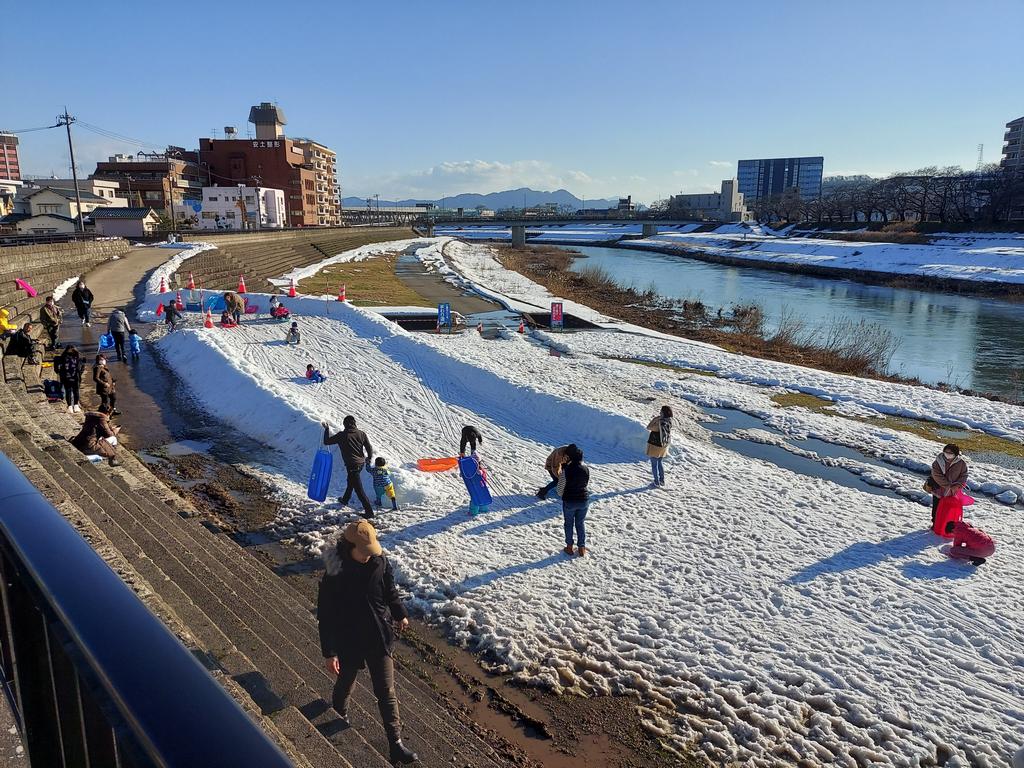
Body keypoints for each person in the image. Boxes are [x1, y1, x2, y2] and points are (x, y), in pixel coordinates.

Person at [317, 521, 418, 765]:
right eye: (364, 551)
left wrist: (399, 612)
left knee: (386, 691)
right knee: (346, 682)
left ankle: (395, 744)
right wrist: (330, 652)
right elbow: (326, 613)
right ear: (350, 547)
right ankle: (339, 713)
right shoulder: (335, 568)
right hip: (348, 639)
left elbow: (390, 589)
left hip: (378, 636)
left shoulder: (379, 560)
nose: (369, 555)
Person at [322, 416, 375, 518]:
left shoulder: (342, 435)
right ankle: (345, 500)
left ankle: (369, 512)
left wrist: (327, 429)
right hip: (361, 463)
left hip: (352, 465)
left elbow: (326, 441)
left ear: (344, 424)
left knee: (359, 490)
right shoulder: (361, 434)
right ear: (355, 423)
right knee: (351, 482)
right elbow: (369, 447)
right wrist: (369, 457)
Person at [557, 445, 590, 556]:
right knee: (580, 523)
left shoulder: (567, 470)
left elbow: (560, 488)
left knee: (569, 524)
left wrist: (563, 496)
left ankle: (569, 547)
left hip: (570, 501)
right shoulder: (586, 468)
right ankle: (581, 548)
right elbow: (586, 483)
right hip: (584, 500)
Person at [925, 443, 969, 525]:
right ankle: (935, 523)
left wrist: (958, 485)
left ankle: (946, 525)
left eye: (950, 453)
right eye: (946, 452)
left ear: (955, 454)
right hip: (938, 489)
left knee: (949, 508)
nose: (947, 455)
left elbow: (964, 474)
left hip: (953, 491)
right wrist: (948, 486)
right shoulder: (938, 461)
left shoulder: (961, 463)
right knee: (937, 507)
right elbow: (936, 475)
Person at [646, 405, 673, 488]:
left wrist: (655, 419)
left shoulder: (659, 424)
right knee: (660, 463)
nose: (659, 412)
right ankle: (662, 480)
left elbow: (649, 427)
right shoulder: (669, 421)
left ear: (663, 412)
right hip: (663, 446)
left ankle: (656, 482)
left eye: (661, 411)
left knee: (654, 465)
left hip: (655, 446)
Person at [54, 345, 84, 413]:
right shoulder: (76, 357)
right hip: (71, 377)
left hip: (70, 377)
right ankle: (73, 406)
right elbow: (82, 366)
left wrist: (58, 371)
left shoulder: (65, 357)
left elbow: (82, 366)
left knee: (71, 391)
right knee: (72, 391)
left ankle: (73, 406)